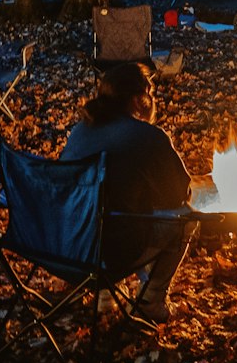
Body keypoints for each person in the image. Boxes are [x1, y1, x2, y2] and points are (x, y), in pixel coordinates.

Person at [61, 61, 195, 322]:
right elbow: (180, 194)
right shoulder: (147, 136)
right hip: (110, 254)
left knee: (110, 212)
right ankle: (151, 300)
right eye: (151, 94)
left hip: (65, 247)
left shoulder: (80, 130)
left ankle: (105, 296)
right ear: (138, 100)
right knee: (185, 218)